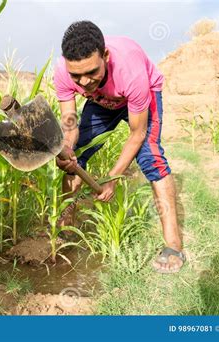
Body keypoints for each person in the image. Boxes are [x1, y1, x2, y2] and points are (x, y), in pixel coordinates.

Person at [53, 21, 185, 273]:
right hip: (103, 103)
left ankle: (173, 245)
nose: (84, 82)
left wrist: (112, 178)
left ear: (105, 56)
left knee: (151, 159)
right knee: (75, 157)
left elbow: (137, 133)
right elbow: (69, 121)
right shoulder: (63, 71)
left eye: (92, 72)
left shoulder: (130, 70)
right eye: (76, 76)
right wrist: (68, 146)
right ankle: (65, 227)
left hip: (140, 96)